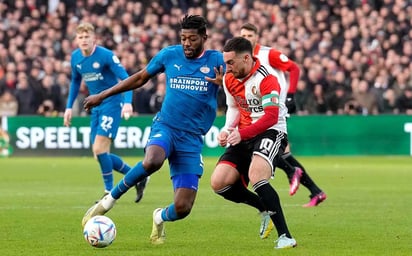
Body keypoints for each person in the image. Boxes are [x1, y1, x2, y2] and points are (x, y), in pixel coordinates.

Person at [81, 14, 225, 245]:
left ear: (204, 37)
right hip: (166, 126)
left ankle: (159, 216)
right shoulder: (170, 54)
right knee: (152, 161)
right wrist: (102, 95)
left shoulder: (217, 60)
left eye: (192, 39)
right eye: (183, 38)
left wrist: (225, 84)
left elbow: (240, 81)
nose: (187, 43)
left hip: (191, 139)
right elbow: (139, 78)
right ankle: (109, 200)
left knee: (183, 207)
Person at [211, 36, 297, 249]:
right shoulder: (229, 78)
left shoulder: (267, 79)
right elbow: (233, 107)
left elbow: (270, 116)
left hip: (271, 131)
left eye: (231, 62)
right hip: (244, 134)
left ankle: (286, 236)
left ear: (246, 58)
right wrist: (227, 129)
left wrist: (242, 133)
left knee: (257, 176)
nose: (227, 68)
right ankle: (262, 207)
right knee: (219, 183)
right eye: (226, 62)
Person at [240, 23, 327, 207]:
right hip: (257, 108)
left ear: (257, 36)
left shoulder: (267, 54)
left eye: (249, 35)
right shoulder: (243, 58)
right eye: (243, 35)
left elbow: (294, 68)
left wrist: (291, 95)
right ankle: (315, 190)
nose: (246, 39)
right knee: (279, 151)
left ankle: (292, 173)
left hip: (274, 107)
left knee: (267, 148)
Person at [63, 22, 148, 204]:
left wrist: (127, 103)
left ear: (94, 38)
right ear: (76, 40)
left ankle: (109, 192)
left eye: (87, 37)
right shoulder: (75, 58)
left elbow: (126, 79)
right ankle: (138, 176)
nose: (84, 40)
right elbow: (75, 82)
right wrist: (69, 106)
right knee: (99, 154)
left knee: (99, 148)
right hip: (95, 106)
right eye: (81, 37)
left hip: (112, 102)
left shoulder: (106, 56)